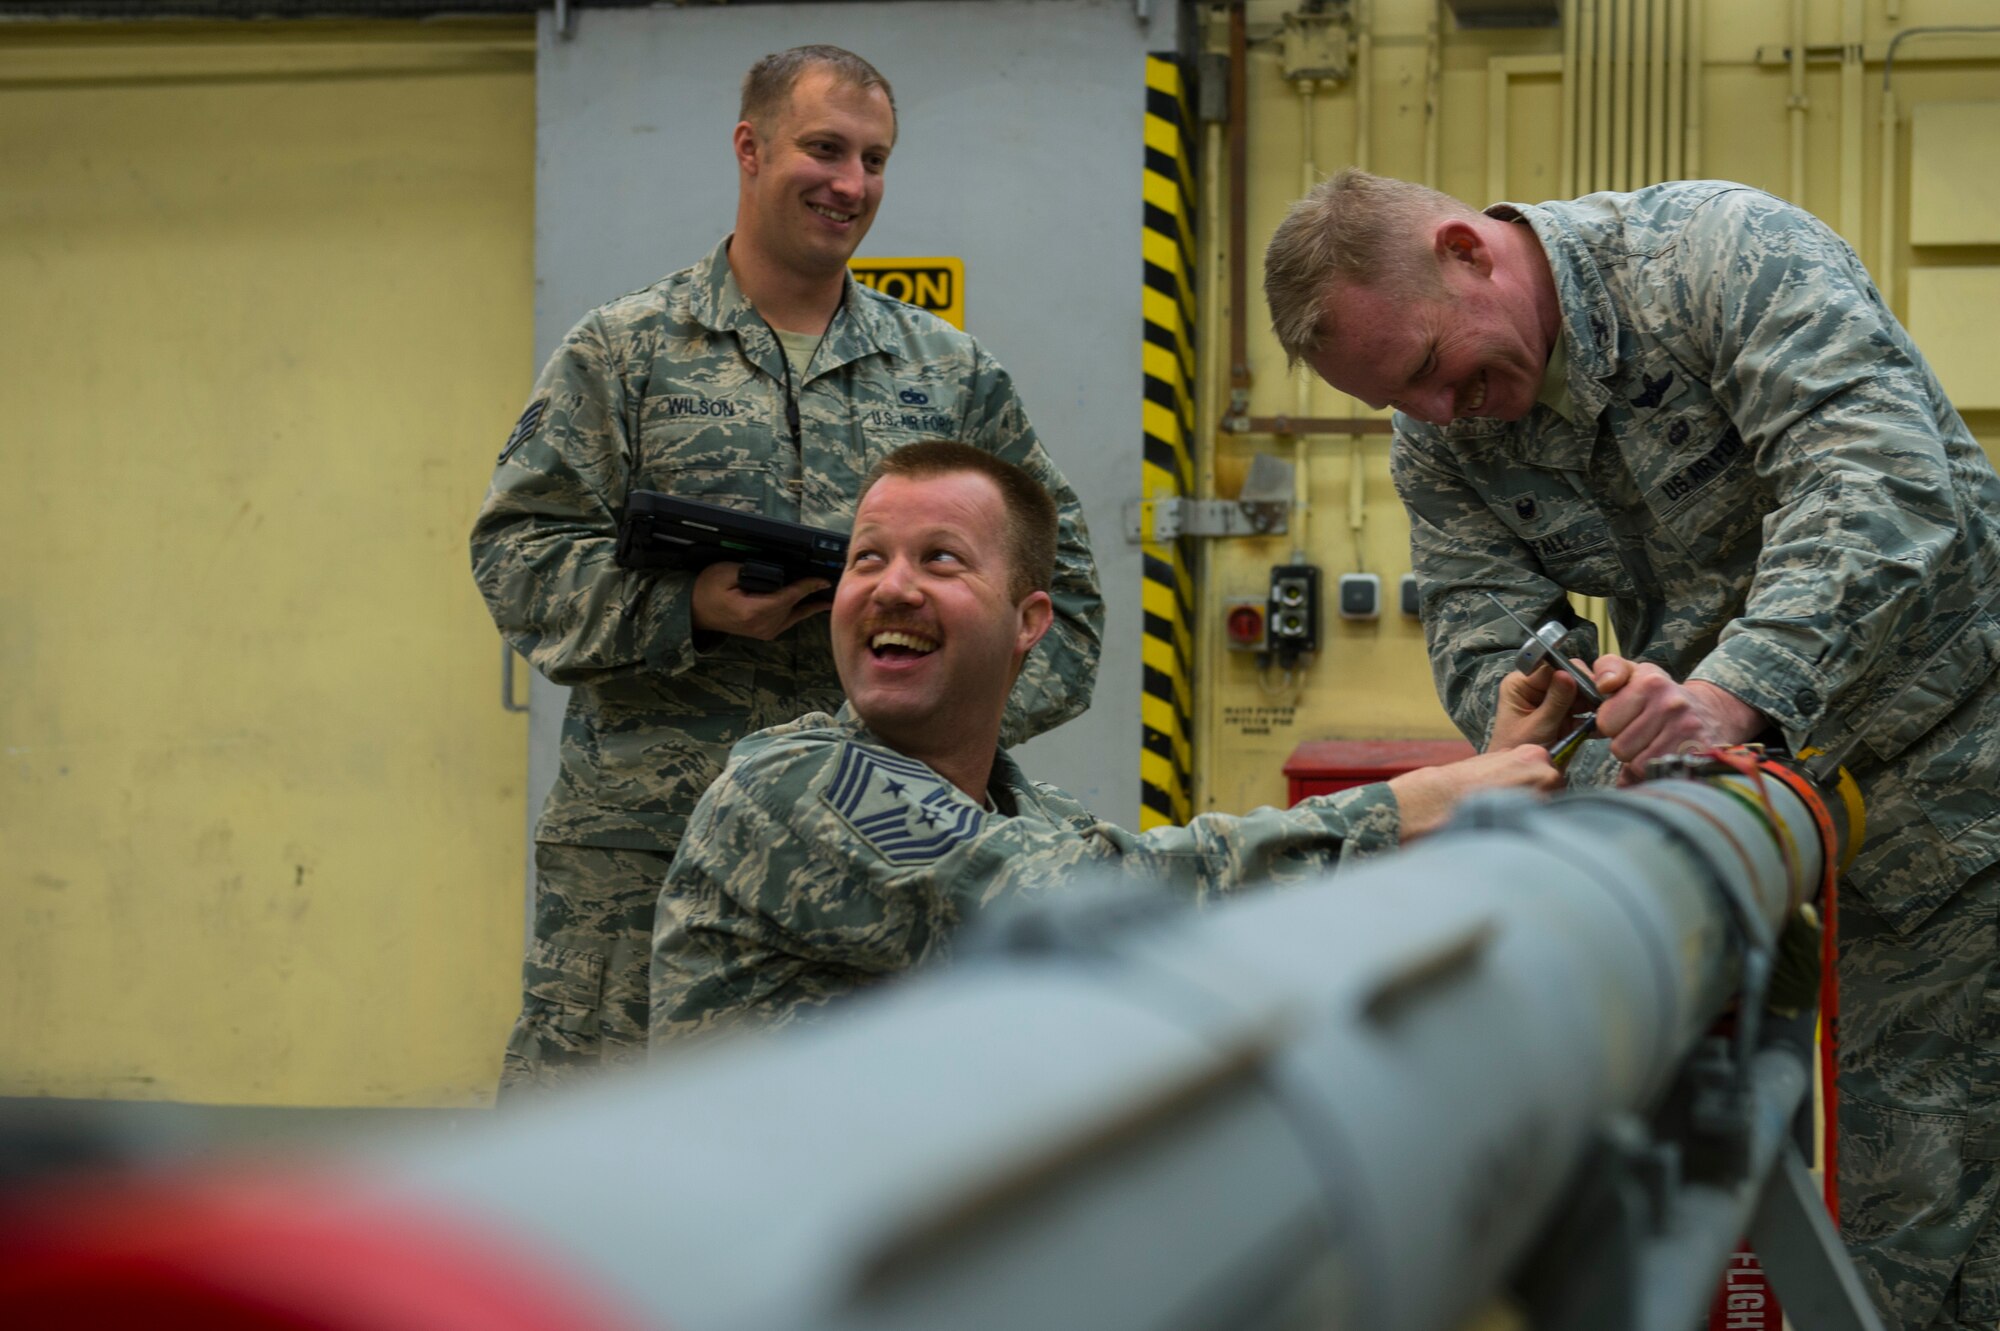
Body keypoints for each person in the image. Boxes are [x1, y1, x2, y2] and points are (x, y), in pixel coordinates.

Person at [1262, 168, 2000, 1331]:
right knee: (1706, 1168)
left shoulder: (1718, 256)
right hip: (1742, 815)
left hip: (1955, 786)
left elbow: (1881, 486)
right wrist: (1551, 726)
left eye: (1425, 369)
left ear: (1466, 250)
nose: (1442, 415)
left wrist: (1729, 690)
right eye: (1402, 402)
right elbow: (1480, 631)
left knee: (1931, 1213)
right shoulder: (1439, 435)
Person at [470, 47, 1104, 1093]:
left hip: (888, 849)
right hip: (643, 855)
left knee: (855, 1145)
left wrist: (931, 721)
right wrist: (685, 609)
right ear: (749, 147)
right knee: (602, 1149)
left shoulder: (952, 375)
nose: (849, 184)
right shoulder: (624, 354)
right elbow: (516, 554)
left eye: (874, 159)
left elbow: (1063, 606)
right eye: (823, 148)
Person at [650, 441, 1567, 1042]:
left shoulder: (1026, 813)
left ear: (1028, 621)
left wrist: (1492, 770)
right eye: (866, 558)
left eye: (941, 559)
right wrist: (1412, 804)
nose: (891, 587)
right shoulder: (790, 783)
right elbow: (1095, 904)